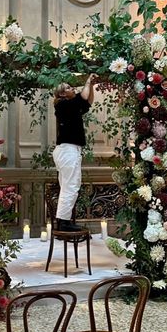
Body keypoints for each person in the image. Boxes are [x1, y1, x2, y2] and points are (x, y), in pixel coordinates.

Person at [53, 74, 95, 232]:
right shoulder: (63, 105)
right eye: (69, 88)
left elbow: (88, 101)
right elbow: (83, 96)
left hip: (68, 150)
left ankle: (63, 220)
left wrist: (90, 86)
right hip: (68, 150)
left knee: (68, 186)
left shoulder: (71, 106)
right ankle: (64, 222)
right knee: (71, 186)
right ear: (63, 94)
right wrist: (88, 81)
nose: (73, 89)